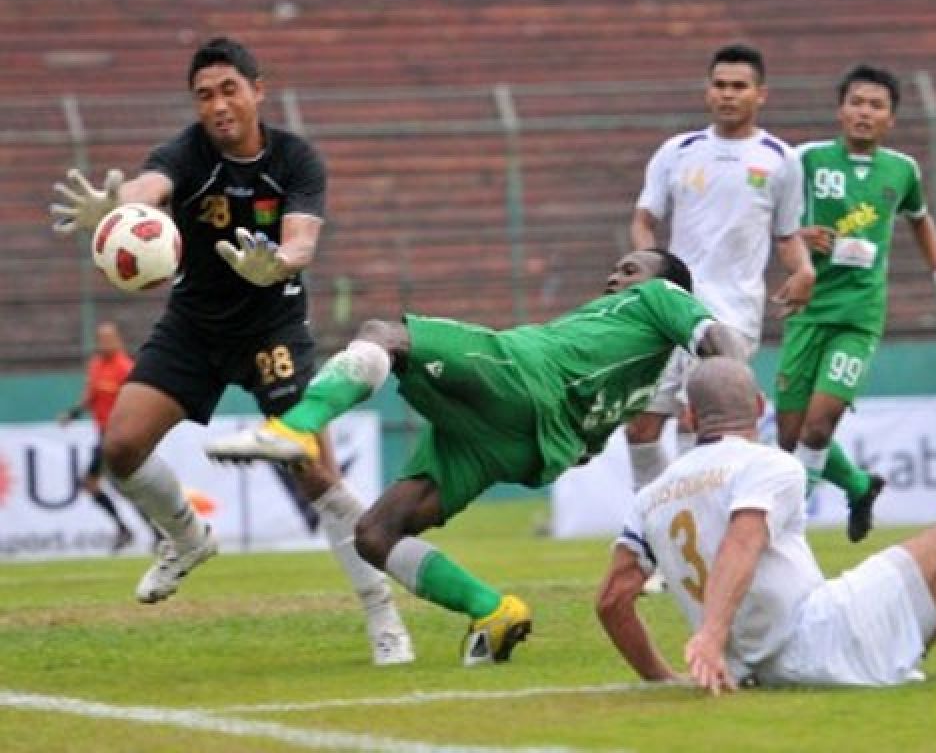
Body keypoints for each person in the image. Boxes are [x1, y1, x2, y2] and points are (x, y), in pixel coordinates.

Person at [48, 37, 411, 666]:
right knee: (121, 447)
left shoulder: (296, 160)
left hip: (272, 328)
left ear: (257, 90)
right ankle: (187, 538)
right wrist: (119, 210)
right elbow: (149, 187)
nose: (217, 105)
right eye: (204, 95)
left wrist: (279, 264)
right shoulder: (187, 153)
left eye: (228, 90)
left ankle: (383, 615)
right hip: (193, 327)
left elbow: (300, 241)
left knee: (315, 471)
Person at [205, 249, 747, 666]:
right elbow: (587, 450)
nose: (615, 278)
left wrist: (737, 391)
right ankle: (493, 610)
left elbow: (719, 338)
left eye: (629, 270)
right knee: (375, 534)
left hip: (521, 375)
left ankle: (297, 428)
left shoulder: (659, 299)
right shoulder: (640, 372)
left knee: (383, 336)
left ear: (663, 284)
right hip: (518, 448)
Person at [597, 357, 936, 693]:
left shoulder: (650, 497)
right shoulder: (769, 464)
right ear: (758, 408)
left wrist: (664, 681)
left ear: (688, 415)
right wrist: (710, 634)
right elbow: (742, 543)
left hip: (757, 671)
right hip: (814, 638)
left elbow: (613, 601)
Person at [777, 64, 936, 542]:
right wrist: (800, 236)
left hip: (858, 318)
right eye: (857, 102)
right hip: (809, 311)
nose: (865, 112)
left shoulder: (902, 170)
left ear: (891, 119)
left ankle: (785, 533)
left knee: (818, 429)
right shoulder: (807, 160)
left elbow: (921, 220)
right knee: (788, 436)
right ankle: (860, 487)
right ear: (841, 110)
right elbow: (773, 220)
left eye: (876, 105)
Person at [625, 42, 814, 496]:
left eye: (739, 86)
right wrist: (650, 270)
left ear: (760, 94)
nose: (728, 94)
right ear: (707, 91)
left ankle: (689, 530)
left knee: (701, 428)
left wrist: (805, 271)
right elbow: (644, 219)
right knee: (640, 428)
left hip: (731, 317)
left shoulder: (780, 159)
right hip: (670, 310)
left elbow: (787, 235)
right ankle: (653, 523)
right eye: (720, 85)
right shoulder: (677, 151)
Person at [57, 321, 147, 553]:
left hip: (118, 433)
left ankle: (140, 531)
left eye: (109, 338)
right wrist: (73, 413)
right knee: (98, 484)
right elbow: (91, 395)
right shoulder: (96, 365)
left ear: (118, 340)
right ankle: (132, 530)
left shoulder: (125, 367)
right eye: (101, 339)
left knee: (116, 485)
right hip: (103, 434)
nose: (105, 343)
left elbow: (137, 400)